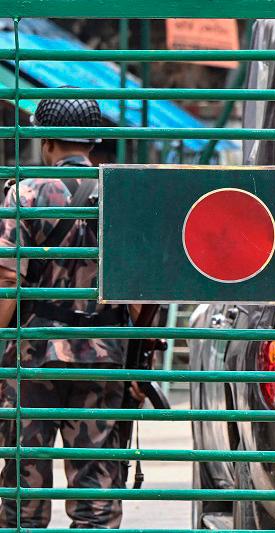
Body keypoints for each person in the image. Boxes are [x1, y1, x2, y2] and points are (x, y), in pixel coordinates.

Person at [0, 97, 134, 529]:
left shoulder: (26, 193)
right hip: (104, 355)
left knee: (25, 477)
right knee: (96, 475)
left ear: (44, 140)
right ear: (94, 142)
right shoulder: (121, 194)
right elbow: (143, 284)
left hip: (33, 354)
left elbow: (7, 280)